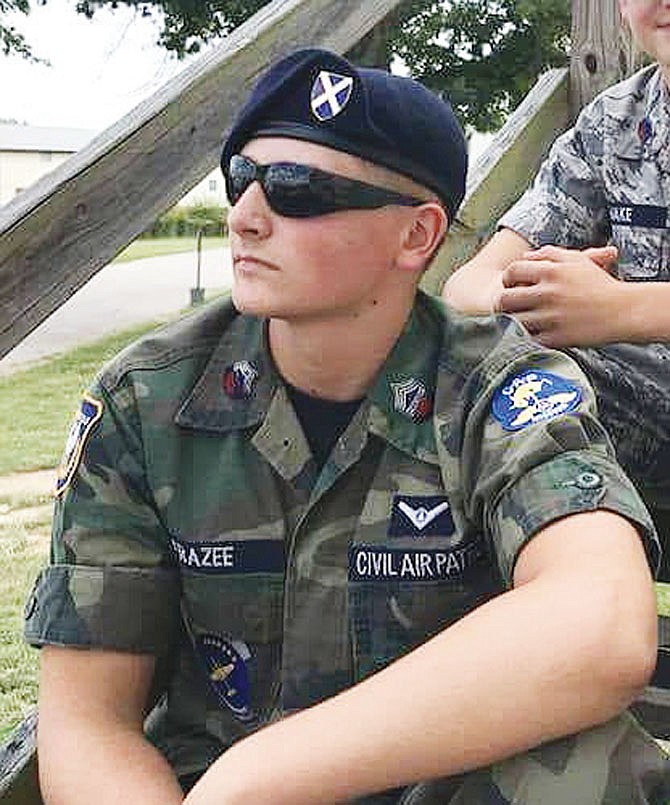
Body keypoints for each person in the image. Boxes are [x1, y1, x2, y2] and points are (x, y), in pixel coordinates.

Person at [25, 48, 668, 805]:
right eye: (242, 179)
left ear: (416, 236)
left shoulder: (500, 387)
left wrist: (255, 778)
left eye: (297, 190)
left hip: (429, 776)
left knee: (590, 771)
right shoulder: (147, 400)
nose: (245, 216)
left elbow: (601, 623)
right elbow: (87, 720)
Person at [443, 0, 670, 565]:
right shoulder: (610, 123)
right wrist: (534, 301)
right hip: (645, 410)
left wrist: (625, 310)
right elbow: (468, 284)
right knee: (464, 360)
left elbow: (621, 313)